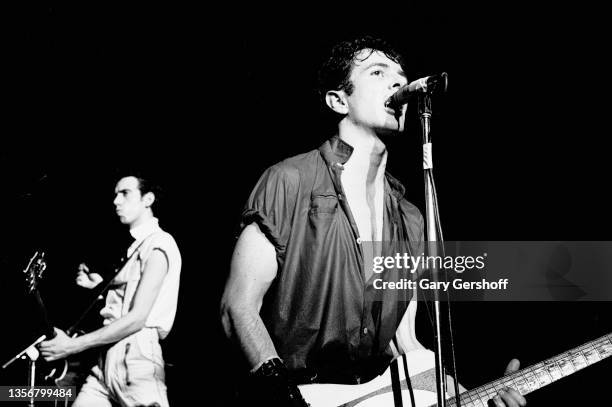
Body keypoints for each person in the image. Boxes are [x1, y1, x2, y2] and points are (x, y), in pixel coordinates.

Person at [220, 36, 526, 407]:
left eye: (400, 76)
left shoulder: (409, 218)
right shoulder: (290, 181)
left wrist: (471, 397)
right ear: (338, 100)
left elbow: (405, 344)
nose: (398, 83)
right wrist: (282, 395)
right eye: (378, 73)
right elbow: (238, 307)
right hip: (295, 391)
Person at [39, 174, 182, 407]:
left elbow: (136, 318)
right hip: (105, 363)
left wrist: (71, 345)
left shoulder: (159, 243)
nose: (116, 201)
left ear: (148, 199)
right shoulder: (136, 248)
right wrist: (99, 287)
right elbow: (130, 296)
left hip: (135, 357)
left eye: (125, 193)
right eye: (115, 194)